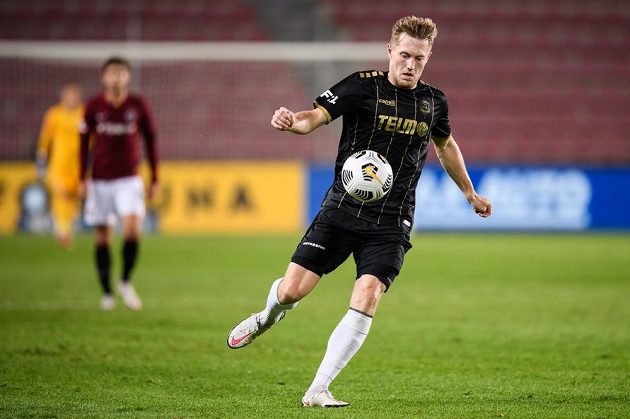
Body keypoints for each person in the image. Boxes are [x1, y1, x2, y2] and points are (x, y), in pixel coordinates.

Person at [227, 16, 492, 407]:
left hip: (392, 220)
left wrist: (470, 192)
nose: (410, 64)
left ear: (428, 56)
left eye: (419, 58)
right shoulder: (361, 85)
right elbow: (313, 117)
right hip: (341, 210)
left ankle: (318, 388)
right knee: (292, 291)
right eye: (404, 55)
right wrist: (290, 123)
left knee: (368, 293)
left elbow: (446, 145)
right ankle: (267, 316)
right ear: (390, 50)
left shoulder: (434, 101)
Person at [79, 56, 159, 311]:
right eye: (112, 73)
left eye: (121, 73)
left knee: (133, 229)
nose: (116, 77)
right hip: (100, 179)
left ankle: (125, 280)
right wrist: (82, 177)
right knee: (102, 237)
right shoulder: (93, 106)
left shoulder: (138, 104)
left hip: (129, 178)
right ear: (104, 77)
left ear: (128, 76)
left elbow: (151, 139)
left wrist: (155, 177)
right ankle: (106, 292)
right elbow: (83, 143)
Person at [36, 83, 83, 247]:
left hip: (78, 165)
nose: (71, 99)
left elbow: (92, 140)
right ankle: (62, 231)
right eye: (68, 95)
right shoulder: (54, 114)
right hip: (58, 165)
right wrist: (41, 161)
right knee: (61, 195)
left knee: (74, 197)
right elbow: (45, 138)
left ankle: (67, 227)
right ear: (63, 97)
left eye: (74, 95)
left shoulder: (84, 113)